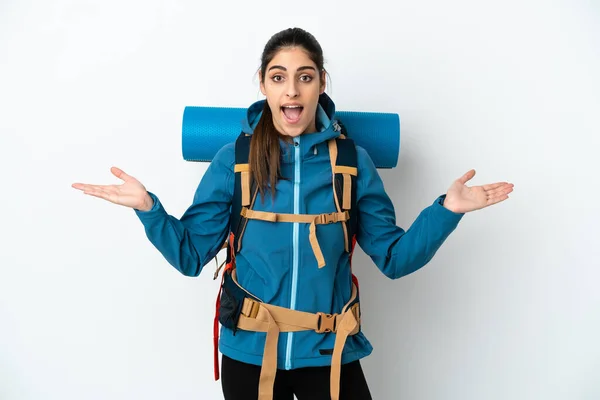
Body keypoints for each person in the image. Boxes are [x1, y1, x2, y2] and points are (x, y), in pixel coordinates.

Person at [72, 27, 514, 400]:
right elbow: (190, 256)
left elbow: (395, 259)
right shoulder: (234, 161)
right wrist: (149, 209)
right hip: (249, 354)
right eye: (278, 77)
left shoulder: (351, 163)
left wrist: (448, 211)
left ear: (321, 83)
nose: (291, 90)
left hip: (329, 352)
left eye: (304, 77)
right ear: (263, 85)